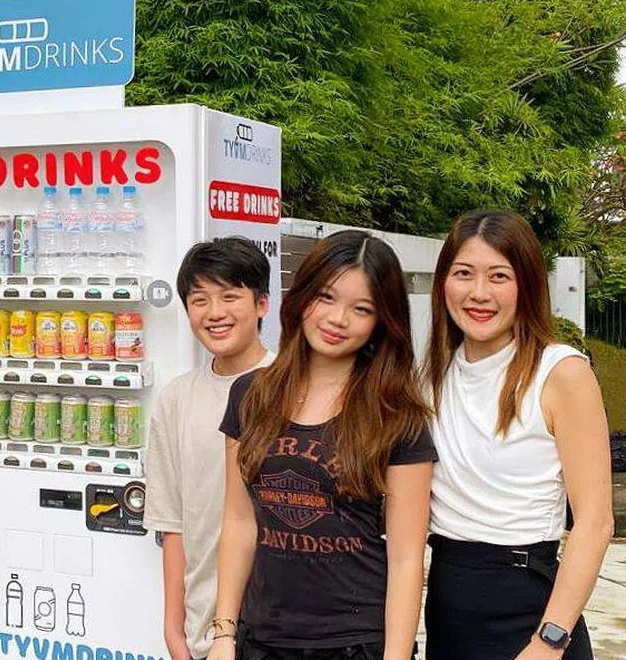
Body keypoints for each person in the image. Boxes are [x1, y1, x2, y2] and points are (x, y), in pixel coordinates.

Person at [212, 230, 436, 660]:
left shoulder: (398, 417)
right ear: (303, 296)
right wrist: (224, 633)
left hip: (354, 644)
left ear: (381, 322)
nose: (338, 319)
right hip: (262, 639)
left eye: (362, 308)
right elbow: (239, 522)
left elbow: (407, 558)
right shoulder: (249, 394)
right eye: (327, 298)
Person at [422, 210, 613, 660]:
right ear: (444, 282)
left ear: (526, 285)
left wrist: (550, 640)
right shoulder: (430, 376)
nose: (479, 293)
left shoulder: (560, 372)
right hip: (448, 606)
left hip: (529, 610)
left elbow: (596, 522)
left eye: (499, 276)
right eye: (464, 273)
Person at [144, 237, 276, 660]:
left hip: (285, 628)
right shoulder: (176, 399)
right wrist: (173, 629)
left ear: (262, 305)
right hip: (205, 635)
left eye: (230, 296)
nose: (214, 313)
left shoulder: (294, 386)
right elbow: (172, 523)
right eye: (200, 299)